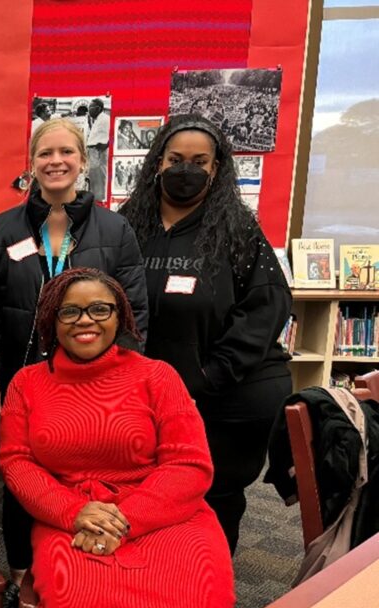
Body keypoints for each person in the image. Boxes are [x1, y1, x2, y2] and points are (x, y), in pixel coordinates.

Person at [0, 267, 233, 608]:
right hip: (69, 517)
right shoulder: (26, 383)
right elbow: (16, 462)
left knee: (194, 607)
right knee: (78, 605)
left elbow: (190, 464)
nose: (85, 320)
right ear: (51, 319)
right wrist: (73, 513)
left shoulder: (158, 376)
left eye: (99, 309)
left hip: (166, 515)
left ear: (120, 316)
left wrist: (123, 520)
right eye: (70, 311)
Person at [0, 117, 148, 608]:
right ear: (32, 164)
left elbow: (132, 312)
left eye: (66, 152)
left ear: (82, 161)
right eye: (45, 153)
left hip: (95, 383)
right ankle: (25, 579)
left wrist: (122, 384)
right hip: (24, 382)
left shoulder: (115, 228)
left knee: (85, 474)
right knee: (25, 477)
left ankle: (94, 571)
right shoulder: (3, 228)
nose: (56, 162)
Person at [119, 114, 292, 553]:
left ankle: (208, 596)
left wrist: (209, 377)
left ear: (216, 168)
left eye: (200, 161)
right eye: (176, 159)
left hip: (226, 398)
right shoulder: (128, 226)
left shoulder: (237, 230)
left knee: (211, 503)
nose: (186, 169)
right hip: (150, 396)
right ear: (158, 162)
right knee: (146, 497)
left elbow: (266, 309)